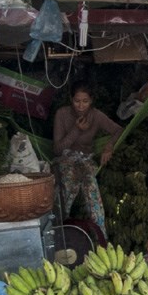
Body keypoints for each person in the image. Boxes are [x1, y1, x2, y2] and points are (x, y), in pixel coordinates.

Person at [54, 85, 123, 234]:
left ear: (91, 101)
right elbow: (57, 149)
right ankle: (59, 232)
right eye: (77, 101)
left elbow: (118, 130)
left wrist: (109, 146)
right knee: (66, 191)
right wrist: (76, 130)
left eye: (85, 101)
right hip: (65, 159)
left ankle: (101, 237)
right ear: (71, 100)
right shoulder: (62, 114)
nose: (80, 105)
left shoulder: (96, 115)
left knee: (92, 195)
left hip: (86, 160)